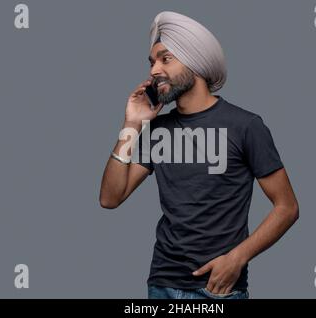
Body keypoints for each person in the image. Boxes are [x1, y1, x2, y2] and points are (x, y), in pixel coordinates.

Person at [99, 11, 299, 299]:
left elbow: (287, 207)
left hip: (220, 288)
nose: (154, 70)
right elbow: (110, 198)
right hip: (162, 283)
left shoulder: (245, 126)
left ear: (194, 61)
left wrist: (237, 258)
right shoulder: (157, 129)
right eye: (152, 62)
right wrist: (131, 124)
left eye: (165, 59)